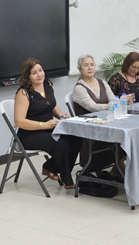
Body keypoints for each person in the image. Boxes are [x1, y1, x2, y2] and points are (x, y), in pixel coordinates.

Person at [14, 57, 82, 189]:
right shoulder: (23, 93)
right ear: (27, 77)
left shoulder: (48, 84)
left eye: (40, 70)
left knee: (76, 138)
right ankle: (67, 179)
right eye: (34, 73)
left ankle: (50, 167)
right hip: (29, 134)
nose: (39, 74)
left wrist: (61, 115)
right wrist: (44, 125)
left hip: (49, 128)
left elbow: (51, 105)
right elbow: (19, 121)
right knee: (61, 143)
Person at [72, 55, 125, 179]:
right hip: (91, 128)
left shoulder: (102, 83)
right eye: (85, 65)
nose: (89, 68)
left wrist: (115, 104)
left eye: (92, 64)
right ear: (79, 69)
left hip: (107, 122)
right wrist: (111, 105)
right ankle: (119, 167)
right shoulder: (79, 88)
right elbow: (93, 107)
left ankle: (119, 165)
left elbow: (113, 99)